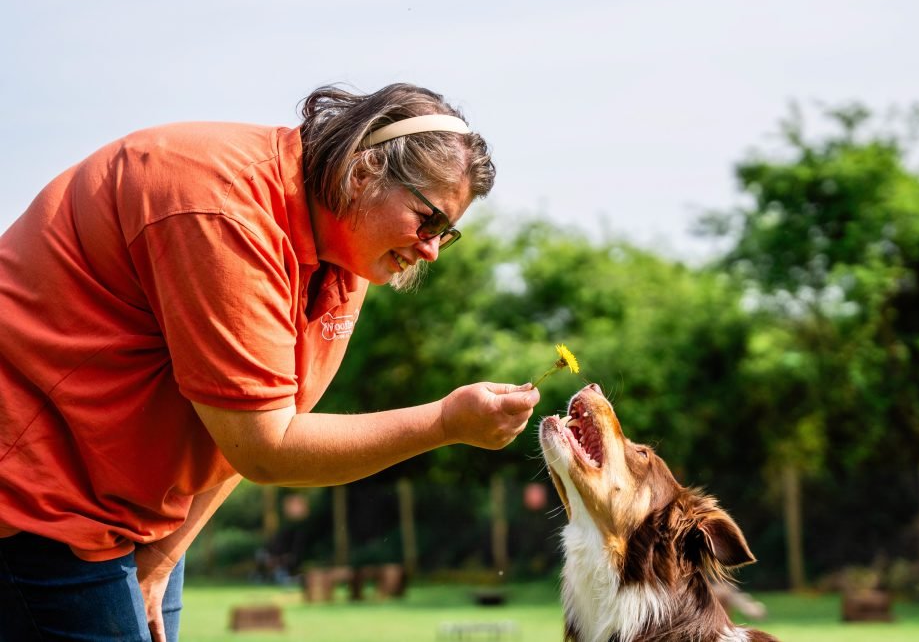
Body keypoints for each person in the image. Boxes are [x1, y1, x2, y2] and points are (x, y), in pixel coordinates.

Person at [0, 83, 540, 641]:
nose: (430, 249)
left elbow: (248, 431)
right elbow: (266, 447)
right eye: (427, 220)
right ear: (362, 173)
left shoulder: (344, 258)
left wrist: (164, 554)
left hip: (132, 510)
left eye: (444, 234)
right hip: (37, 492)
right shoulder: (223, 208)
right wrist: (446, 423)